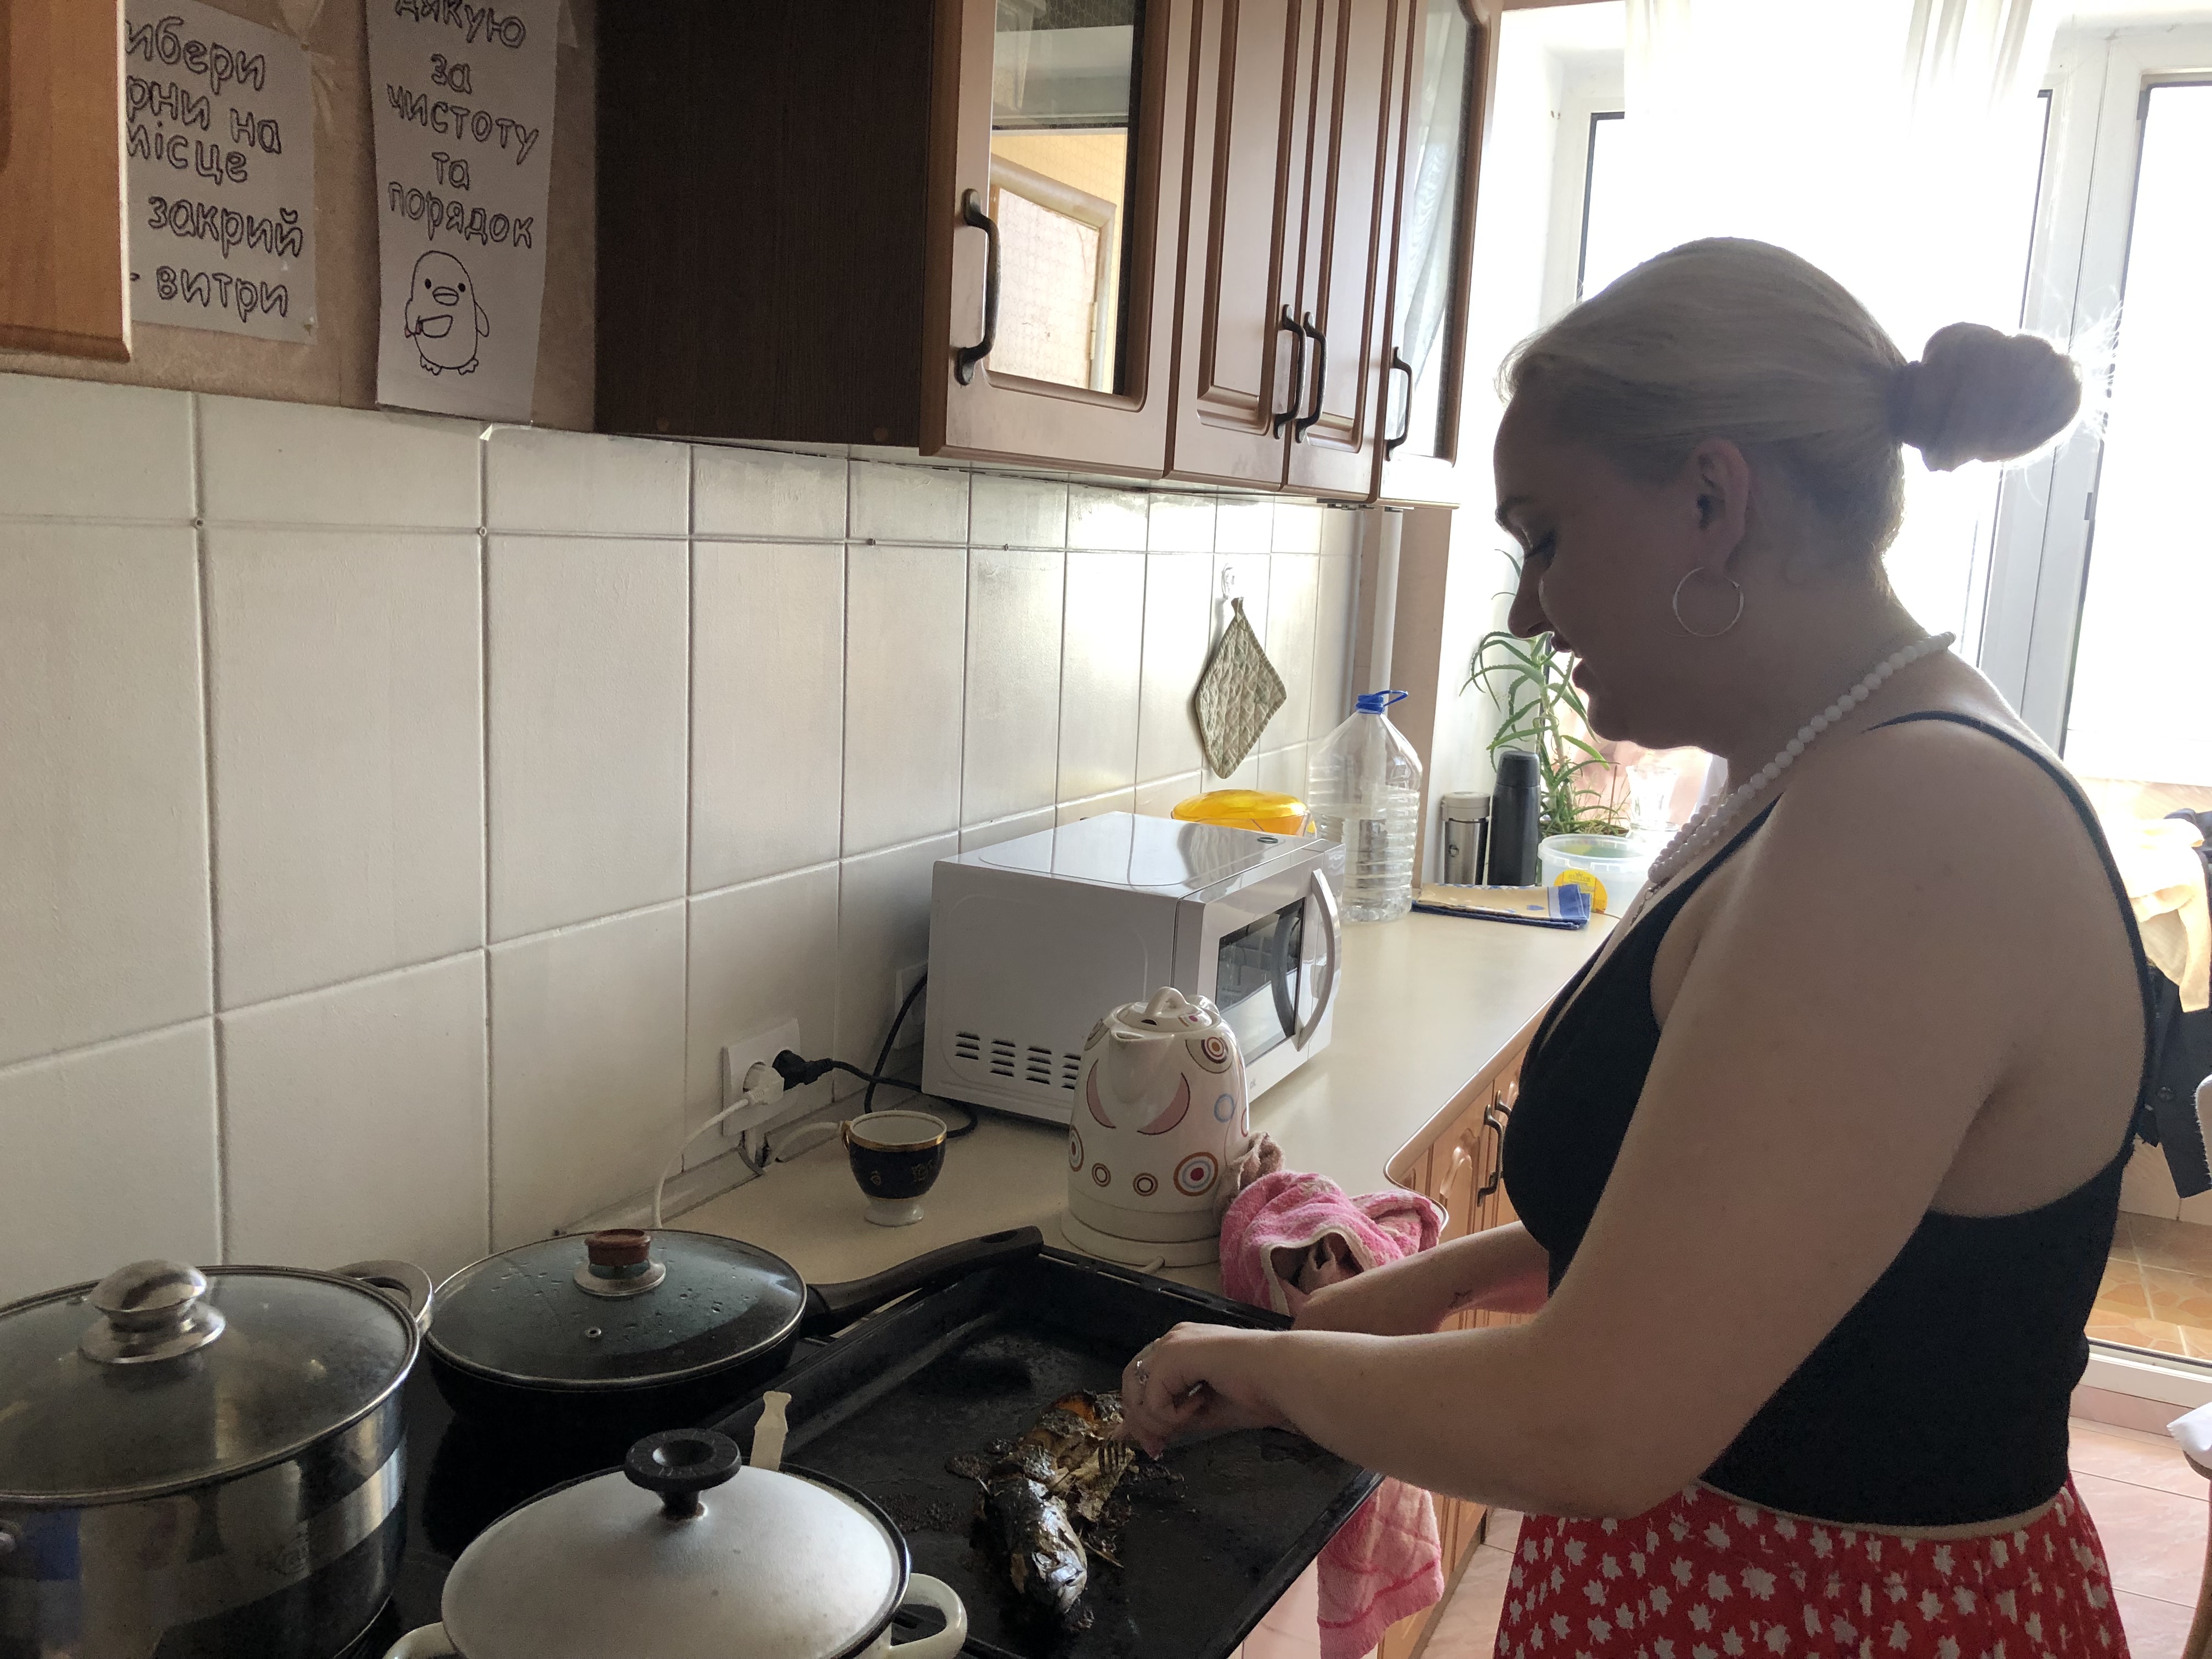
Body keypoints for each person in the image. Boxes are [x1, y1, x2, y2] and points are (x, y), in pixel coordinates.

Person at [1118, 238, 2146, 1658]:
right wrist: (1402, 1300)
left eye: (1544, 535)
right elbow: (1712, 1214)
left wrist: (1245, 1369)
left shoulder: (1920, 819)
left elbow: (1599, 1423)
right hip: (1711, 1589)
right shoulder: (1803, 771)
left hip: (1832, 1620)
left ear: (1714, 500)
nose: (1528, 613)